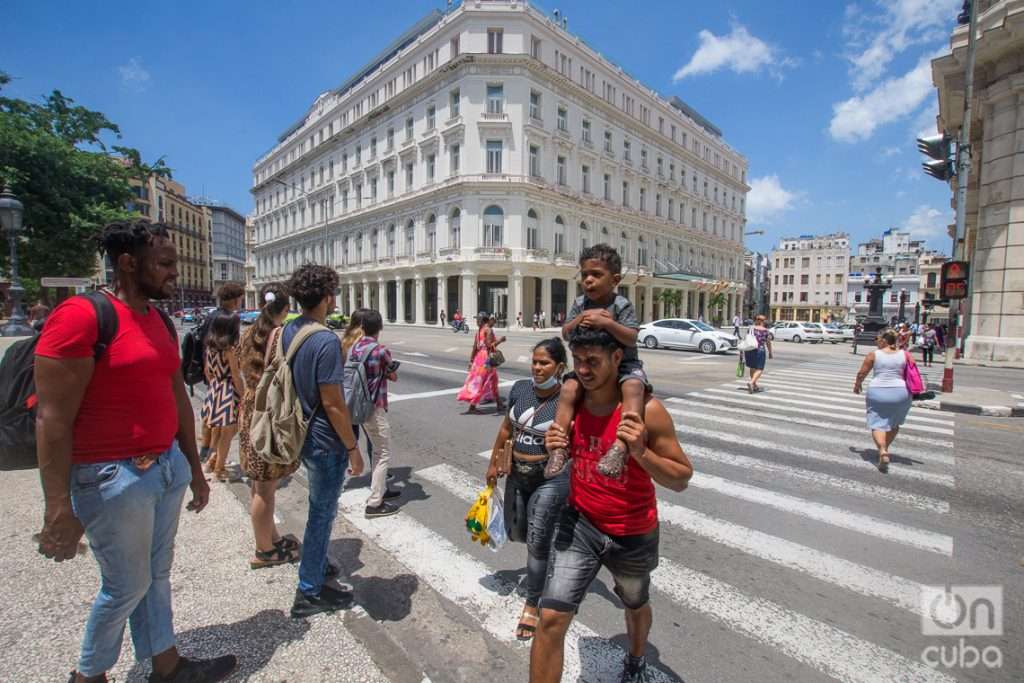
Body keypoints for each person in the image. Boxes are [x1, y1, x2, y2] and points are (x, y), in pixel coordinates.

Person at [34, 218, 236, 683]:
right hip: (112, 477)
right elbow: (52, 418)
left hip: (164, 467)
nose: (174, 273)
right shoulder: (82, 316)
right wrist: (57, 506)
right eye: (164, 263)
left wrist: (194, 466)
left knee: (156, 573)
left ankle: (165, 664)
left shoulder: (157, 317)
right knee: (125, 586)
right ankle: (88, 675)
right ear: (128, 263)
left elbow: (177, 398)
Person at [531, 327, 693, 683]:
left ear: (617, 359)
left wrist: (640, 452)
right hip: (581, 523)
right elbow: (560, 450)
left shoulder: (647, 411)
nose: (584, 370)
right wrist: (553, 444)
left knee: (634, 603)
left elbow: (681, 478)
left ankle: (636, 659)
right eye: (578, 361)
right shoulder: (571, 404)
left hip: (631, 533)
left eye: (593, 361)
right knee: (552, 617)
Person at [283, 264, 366, 618]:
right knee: (322, 513)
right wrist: (352, 447)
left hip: (300, 432)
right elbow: (333, 402)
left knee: (318, 507)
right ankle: (309, 591)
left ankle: (316, 568)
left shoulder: (291, 330)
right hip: (324, 441)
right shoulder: (325, 339)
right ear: (328, 296)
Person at [484, 338, 569, 641]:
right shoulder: (520, 389)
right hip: (517, 473)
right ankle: (551, 552)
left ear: (559, 367)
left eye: (544, 363)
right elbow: (507, 428)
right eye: (535, 361)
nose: (537, 368)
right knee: (516, 531)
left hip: (550, 478)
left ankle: (532, 604)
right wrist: (494, 463)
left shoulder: (568, 400)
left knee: (536, 539)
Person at [546, 244, 646, 481]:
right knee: (569, 388)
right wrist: (580, 318)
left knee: (633, 387)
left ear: (615, 280)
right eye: (584, 275)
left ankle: (621, 445)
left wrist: (608, 324)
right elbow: (566, 333)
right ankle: (559, 447)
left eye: (596, 275)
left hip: (624, 366)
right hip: (588, 365)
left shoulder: (621, 305)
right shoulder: (580, 304)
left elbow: (631, 336)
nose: (588, 280)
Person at [238, 283, 301, 569]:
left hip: (250, 407)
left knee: (259, 482)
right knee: (265, 487)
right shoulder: (279, 335)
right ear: (285, 309)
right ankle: (264, 550)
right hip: (268, 411)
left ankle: (271, 538)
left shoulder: (249, 331)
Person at [347, 309, 402, 518]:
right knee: (382, 452)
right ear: (380, 328)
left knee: (376, 448)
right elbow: (393, 375)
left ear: (362, 327)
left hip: (357, 405)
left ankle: (383, 490)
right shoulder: (380, 351)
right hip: (374, 406)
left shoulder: (354, 348)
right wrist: (388, 371)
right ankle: (375, 502)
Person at [197, 283, 244, 464]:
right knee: (228, 428)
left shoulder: (212, 320)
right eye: (239, 299)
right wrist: (243, 393)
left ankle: (210, 457)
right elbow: (235, 373)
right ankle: (216, 463)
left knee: (214, 422)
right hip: (227, 387)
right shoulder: (229, 324)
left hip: (215, 383)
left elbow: (208, 366)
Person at [854, 328, 912, 473]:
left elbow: (862, 373)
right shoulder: (906, 354)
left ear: (884, 340)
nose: (877, 343)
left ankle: (882, 450)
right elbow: (913, 372)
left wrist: (857, 385)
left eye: (878, 340)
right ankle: (886, 448)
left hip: (878, 391)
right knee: (894, 423)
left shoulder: (874, 354)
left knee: (877, 422)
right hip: (901, 392)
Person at [457, 312, 507, 414]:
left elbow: (475, 348)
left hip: (479, 358)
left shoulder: (479, 331)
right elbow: (489, 346)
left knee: (493, 381)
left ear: (483, 320)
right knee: (482, 383)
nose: (476, 321)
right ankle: (472, 407)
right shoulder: (488, 330)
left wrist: (471, 361)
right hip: (486, 359)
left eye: (478, 319)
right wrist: (500, 340)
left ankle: (499, 404)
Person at [744, 314, 774, 393]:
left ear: (756, 320)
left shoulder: (751, 329)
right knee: (760, 369)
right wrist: (770, 352)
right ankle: (751, 383)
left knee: (752, 367)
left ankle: (754, 385)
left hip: (749, 350)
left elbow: (746, 339)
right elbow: (768, 342)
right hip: (759, 350)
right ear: (763, 321)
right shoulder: (766, 331)